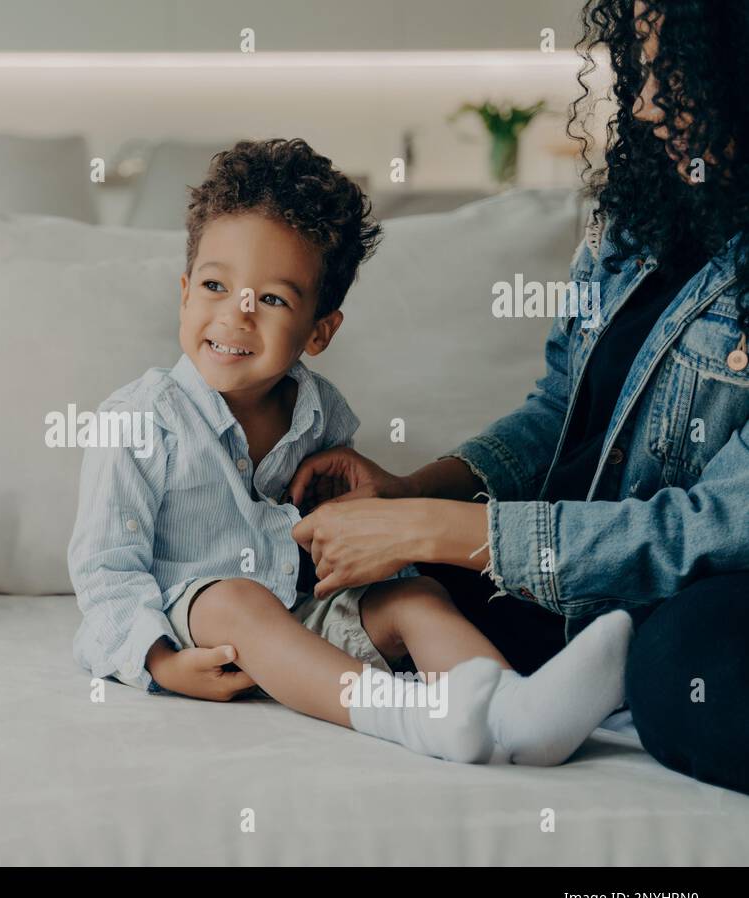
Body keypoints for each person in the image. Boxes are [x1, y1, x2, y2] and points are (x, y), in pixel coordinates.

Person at [287, 0, 749, 794]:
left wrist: (434, 529)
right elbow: (555, 412)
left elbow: (708, 528)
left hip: (701, 576)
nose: (643, 100)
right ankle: (549, 681)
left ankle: (607, 652)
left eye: (676, 65)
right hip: (560, 555)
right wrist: (412, 493)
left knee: (685, 669)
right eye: (639, 62)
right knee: (337, 574)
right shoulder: (638, 216)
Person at [69, 139, 632, 767]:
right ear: (183, 294)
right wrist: (162, 664)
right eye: (214, 285)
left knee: (417, 598)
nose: (237, 315)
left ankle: (514, 714)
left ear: (320, 331)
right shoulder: (139, 419)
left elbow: (337, 544)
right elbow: (104, 572)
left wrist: (364, 559)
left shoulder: (322, 411)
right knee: (236, 598)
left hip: (301, 614)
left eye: (273, 299)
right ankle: (415, 720)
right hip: (199, 626)